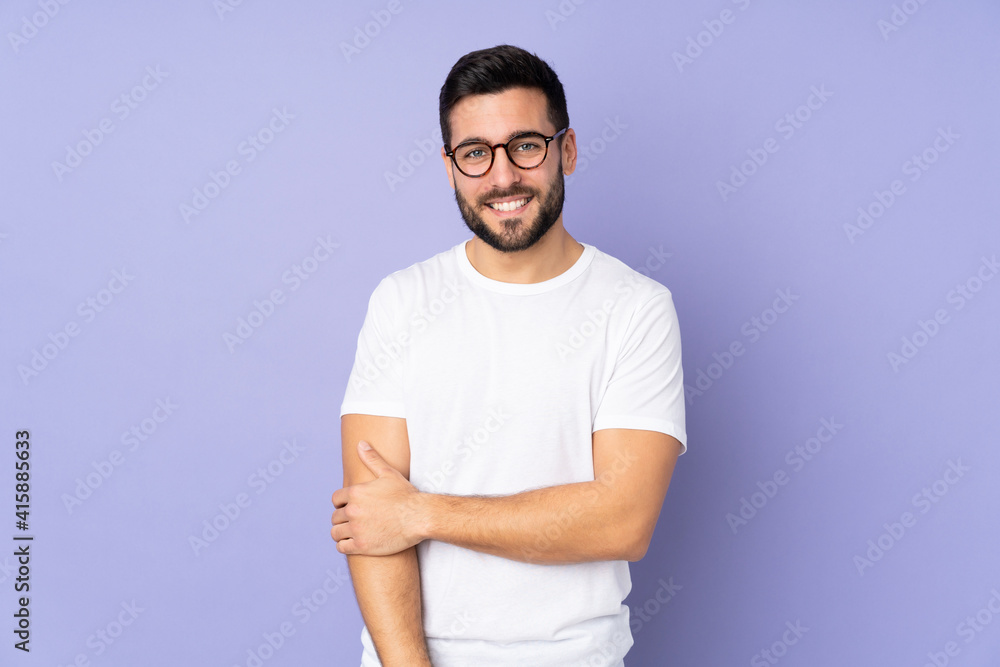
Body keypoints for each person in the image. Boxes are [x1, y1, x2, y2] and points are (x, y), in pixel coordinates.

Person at [331, 44, 687, 667]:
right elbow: (371, 522)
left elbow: (623, 521)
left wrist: (421, 513)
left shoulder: (636, 309)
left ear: (566, 151)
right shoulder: (401, 301)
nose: (502, 178)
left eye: (525, 145)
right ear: (450, 168)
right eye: (476, 154)